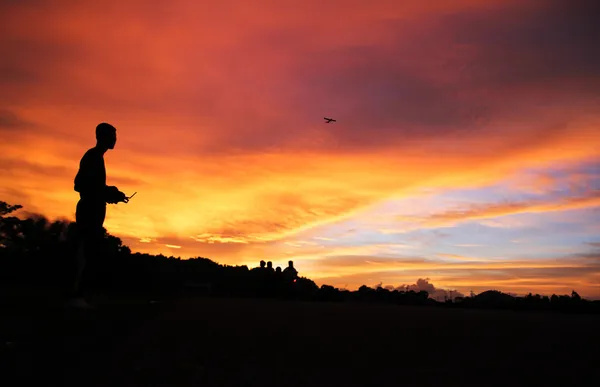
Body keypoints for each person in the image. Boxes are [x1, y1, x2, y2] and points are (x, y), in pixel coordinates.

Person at [66, 122, 128, 308]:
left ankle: (79, 295)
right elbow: (80, 185)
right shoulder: (92, 156)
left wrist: (109, 193)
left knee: (90, 253)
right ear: (102, 137)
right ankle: (75, 296)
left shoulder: (97, 158)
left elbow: (92, 187)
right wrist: (107, 193)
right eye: (112, 136)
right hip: (88, 210)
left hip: (94, 209)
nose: (115, 139)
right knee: (85, 252)